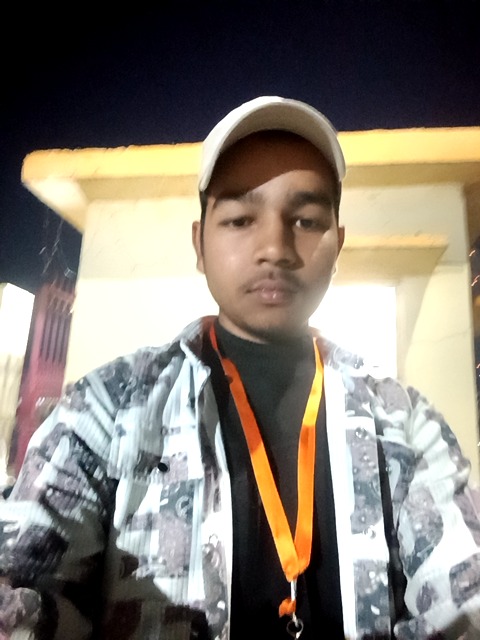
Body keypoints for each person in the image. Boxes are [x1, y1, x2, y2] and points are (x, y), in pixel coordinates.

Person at [0, 96, 479, 640]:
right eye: (239, 219)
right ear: (199, 244)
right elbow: (21, 582)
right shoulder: (108, 408)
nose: (275, 247)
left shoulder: (403, 422)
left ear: (338, 245)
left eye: (306, 220)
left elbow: (466, 599)